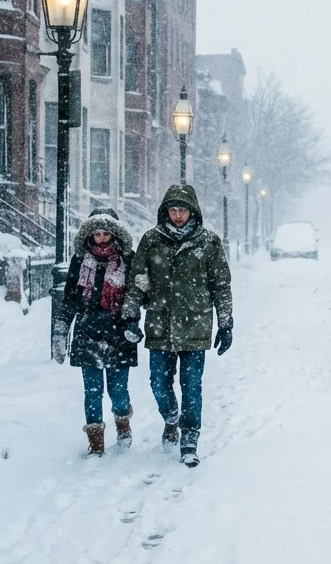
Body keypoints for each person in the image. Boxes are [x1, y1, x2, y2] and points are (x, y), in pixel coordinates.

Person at [124, 184, 232, 467]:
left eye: (182, 210)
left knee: (192, 385)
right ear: (165, 211)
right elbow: (138, 282)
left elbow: (221, 285)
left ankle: (189, 438)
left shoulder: (208, 242)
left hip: (195, 326)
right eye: (173, 210)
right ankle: (171, 416)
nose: (178, 215)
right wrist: (131, 316)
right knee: (158, 383)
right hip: (160, 324)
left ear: (192, 211)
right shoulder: (151, 240)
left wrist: (226, 322)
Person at [52, 208, 141, 457]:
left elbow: (135, 297)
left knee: (118, 391)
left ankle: (123, 423)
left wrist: (133, 322)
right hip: (87, 331)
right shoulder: (80, 261)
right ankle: (96, 443)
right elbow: (70, 299)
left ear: (115, 234)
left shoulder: (128, 260)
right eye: (97, 233)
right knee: (92, 391)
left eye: (106, 233)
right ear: (89, 235)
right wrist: (60, 332)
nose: (101, 238)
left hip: (119, 333)